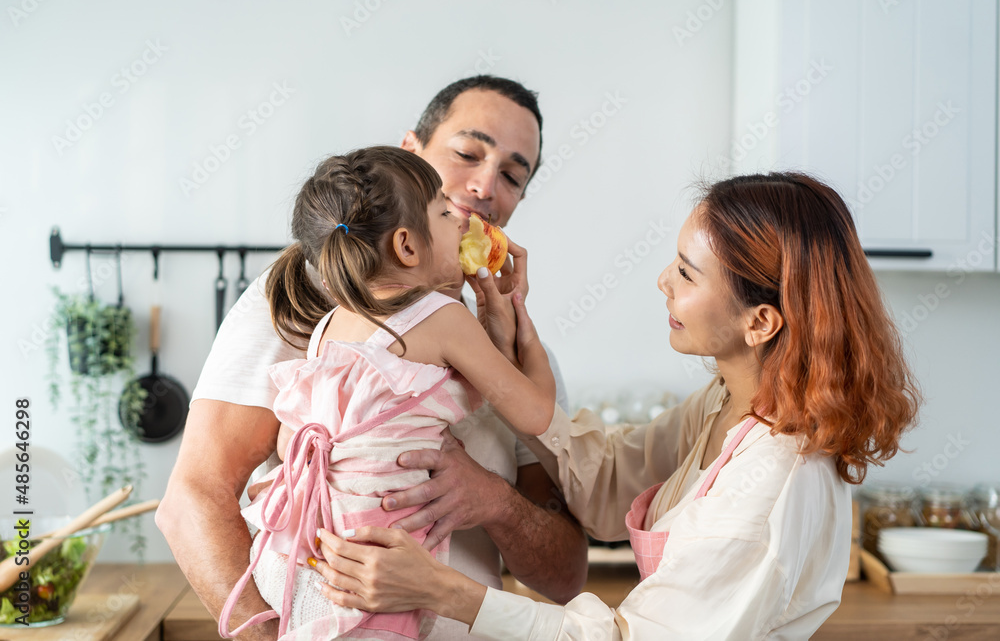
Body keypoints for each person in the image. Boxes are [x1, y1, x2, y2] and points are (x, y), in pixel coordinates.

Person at [308, 172, 921, 639]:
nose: (662, 281)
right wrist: (515, 345)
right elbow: (608, 481)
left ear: (759, 321)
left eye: (686, 273)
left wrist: (442, 589)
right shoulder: (725, 403)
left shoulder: (775, 480)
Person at [157, 76, 588, 641]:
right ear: (408, 154)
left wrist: (493, 500)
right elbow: (192, 500)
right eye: (466, 153)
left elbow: (567, 576)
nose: (484, 186)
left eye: (511, 175)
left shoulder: (507, 347)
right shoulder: (294, 299)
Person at [217, 147, 556, 640]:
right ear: (406, 246)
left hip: (303, 553)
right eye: (444, 212)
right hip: (381, 560)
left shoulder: (328, 326)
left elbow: (294, 441)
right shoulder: (444, 318)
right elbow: (534, 413)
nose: (462, 221)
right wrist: (522, 326)